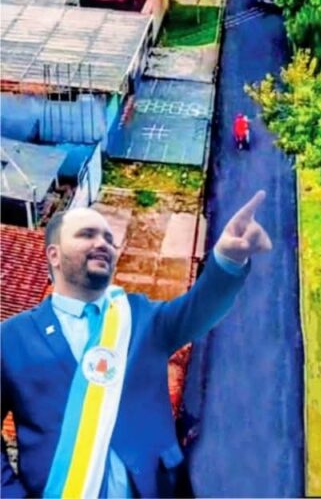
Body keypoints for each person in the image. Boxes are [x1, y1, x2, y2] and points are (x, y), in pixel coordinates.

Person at [1, 194, 271, 499]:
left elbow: (199, 309)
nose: (102, 243)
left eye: (108, 238)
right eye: (86, 234)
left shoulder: (140, 317)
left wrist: (228, 260)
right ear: (54, 255)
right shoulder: (11, 339)